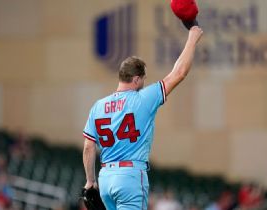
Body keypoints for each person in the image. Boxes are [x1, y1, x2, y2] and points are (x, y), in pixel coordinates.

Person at [82, 25, 203, 210]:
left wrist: (90, 182)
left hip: (105, 177)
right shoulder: (142, 98)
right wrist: (192, 39)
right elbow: (179, 73)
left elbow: (89, 147)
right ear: (137, 79)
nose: (143, 83)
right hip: (130, 176)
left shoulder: (98, 106)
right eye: (143, 79)